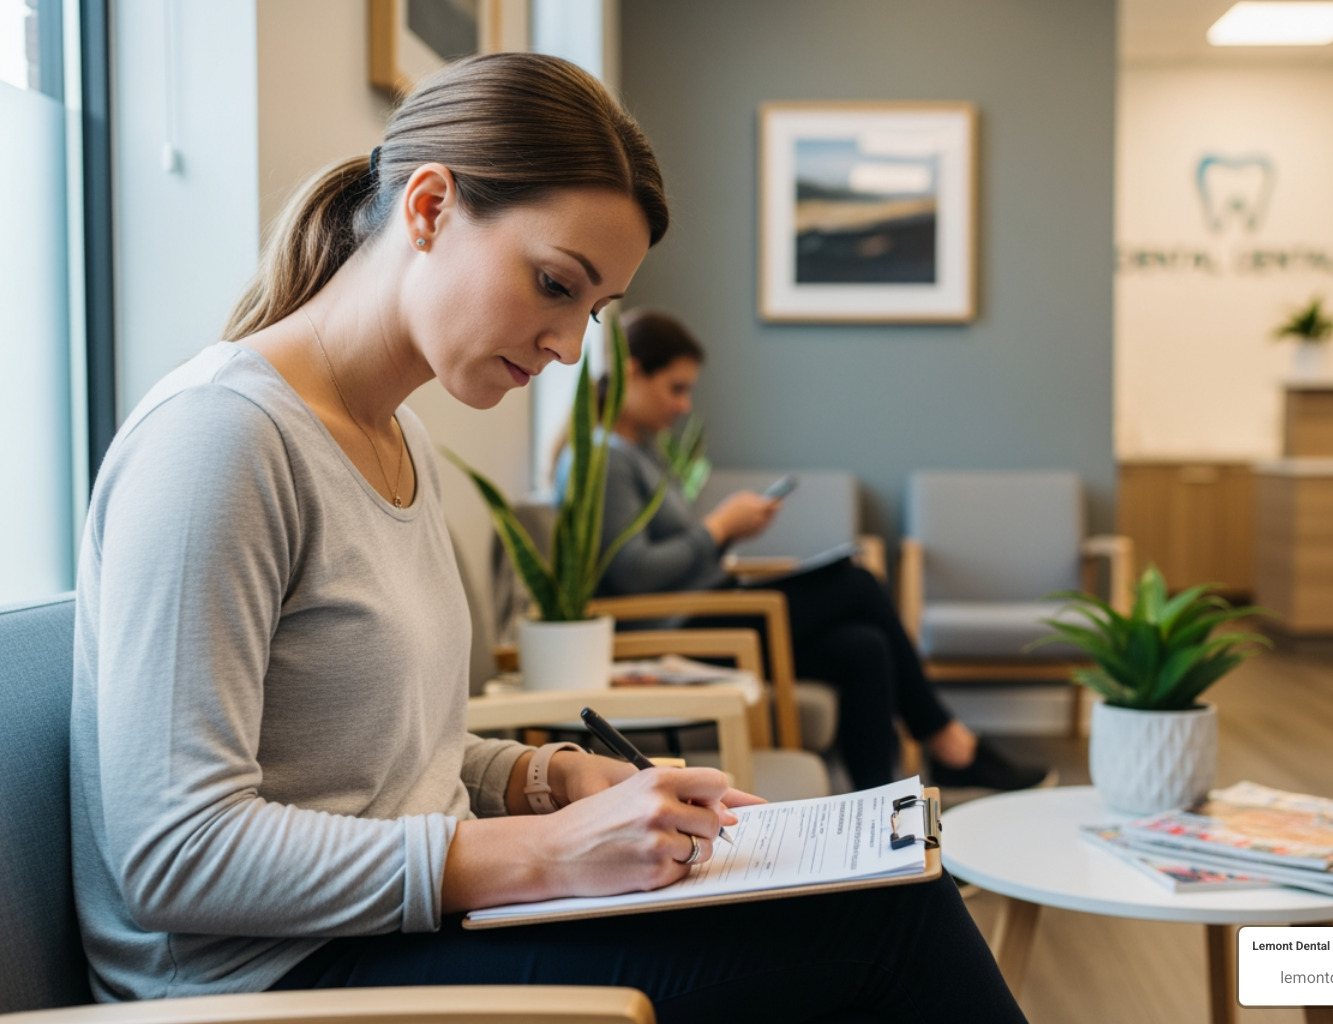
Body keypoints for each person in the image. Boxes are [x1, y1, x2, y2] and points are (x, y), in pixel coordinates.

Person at [70, 52, 1028, 1023]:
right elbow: (174, 854)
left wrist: (546, 778)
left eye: (595, 311)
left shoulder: (397, 440)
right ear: (431, 208)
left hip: (397, 934)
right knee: (893, 928)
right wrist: (547, 852)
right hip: (274, 986)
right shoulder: (219, 441)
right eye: (554, 284)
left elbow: (395, 774)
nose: (570, 349)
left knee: (890, 888)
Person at [557, 308, 1054, 793]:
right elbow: (633, 573)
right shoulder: (603, 460)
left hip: (706, 610)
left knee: (866, 648)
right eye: (676, 388)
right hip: (676, 632)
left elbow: (673, 557)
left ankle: (875, 811)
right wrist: (717, 527)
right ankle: (949, 741)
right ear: (633, 372)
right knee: (857, 582)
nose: (685, 405)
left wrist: (730, 532)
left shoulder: (642, 452)